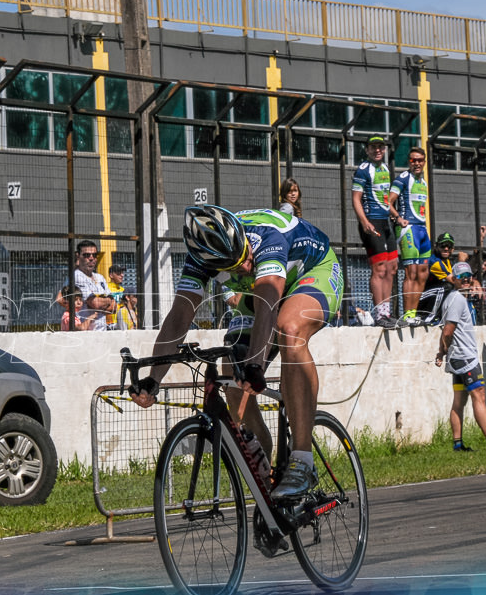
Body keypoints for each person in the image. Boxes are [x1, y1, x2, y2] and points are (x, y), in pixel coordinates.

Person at [131, 205, 344, 501]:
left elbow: (268, 306)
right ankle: (268, 488)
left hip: (312, 272)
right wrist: (154, 378)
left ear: (243, 239)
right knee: (232, 375)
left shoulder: (267, 238)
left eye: (243, 256)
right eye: (231, 266)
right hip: (260, 290)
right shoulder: (200, 256)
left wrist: (256, 364)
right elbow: (180, 315)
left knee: (289, 329)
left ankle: (302, 460)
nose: (244, 266)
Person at [434, 261, 486, 452]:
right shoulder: (457, 299)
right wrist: (444, 351)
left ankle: (457, 444)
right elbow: (448, 331)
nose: (466, 280)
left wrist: (442, 352)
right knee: (478, 395)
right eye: (461, 277)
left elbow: (445, 332)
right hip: (464, 357)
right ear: (453, 279)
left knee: (459, 401)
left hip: (457, 357)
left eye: (468, 276)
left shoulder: (453, 298)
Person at [351, 135, 398, 328]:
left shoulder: (385, 169)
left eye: (381, 147)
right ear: (367, 149)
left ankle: (386, 313)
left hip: (386, 223)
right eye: (374, 147)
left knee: (392, 267)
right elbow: (355, 199)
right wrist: (364, 222)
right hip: (371, 223)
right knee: (379, 269)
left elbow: (386, 199)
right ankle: (379, 315)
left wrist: (396, 215)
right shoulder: (363, 169)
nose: (378, 150)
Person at [387, 147, 431, 326]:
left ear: (424, 161)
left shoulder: (424, 182)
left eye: (420, 160)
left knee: (423, 274)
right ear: (409, 162)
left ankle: (414, 313)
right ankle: (407, 315)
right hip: (409, 229)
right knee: (411, 273)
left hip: (422, 229)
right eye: (414, 160)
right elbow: (388, 201)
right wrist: (398, 218)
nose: (417, 163)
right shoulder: (403, 178)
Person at [71, 240, 115, 332]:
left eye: (94, 255)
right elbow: (95, 303)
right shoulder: (77, 276)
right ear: (78, 256)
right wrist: (106, 301)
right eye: (87, 255)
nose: (91, 258)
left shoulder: (100, 278)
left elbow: (113, 307)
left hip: (103, 331)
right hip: (86, 333)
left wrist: (98, 304)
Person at [417, 231, 457, 324]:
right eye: (443, 245)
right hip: (422, 297)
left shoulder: (447, 261)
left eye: (449, 246)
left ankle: (442, 316)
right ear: (436, 246)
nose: (446, 248)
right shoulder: (435, 262)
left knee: (452, 289)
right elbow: (453, 280)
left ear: (453, 249)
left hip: (431, 294)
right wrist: (462, 261)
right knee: (447, 287)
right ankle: (429, 316)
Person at [106, 263, 138, 330]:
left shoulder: (123, 290)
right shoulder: (106, 289)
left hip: (125, 323)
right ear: (111, 275)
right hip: (110, 325)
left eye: (122, 273)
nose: (122, 275)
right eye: (118, 273)